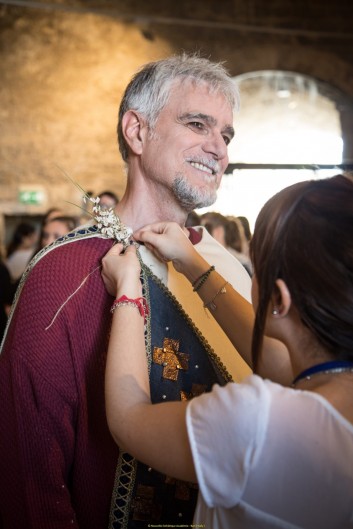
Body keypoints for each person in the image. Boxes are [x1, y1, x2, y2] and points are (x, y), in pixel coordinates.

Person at [0, 54, 253, 528]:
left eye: (226, 134)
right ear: (136, 131)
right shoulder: (65, 272)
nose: (217, 148)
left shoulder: (224, 269)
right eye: (197, 124)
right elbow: (28, 464)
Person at [102, 174, 353, 529]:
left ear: (278, 300)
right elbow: (276, 362)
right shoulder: (325, 388)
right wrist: (192, 262)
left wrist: (129, 290)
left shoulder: (257, 422)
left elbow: (128, 420)